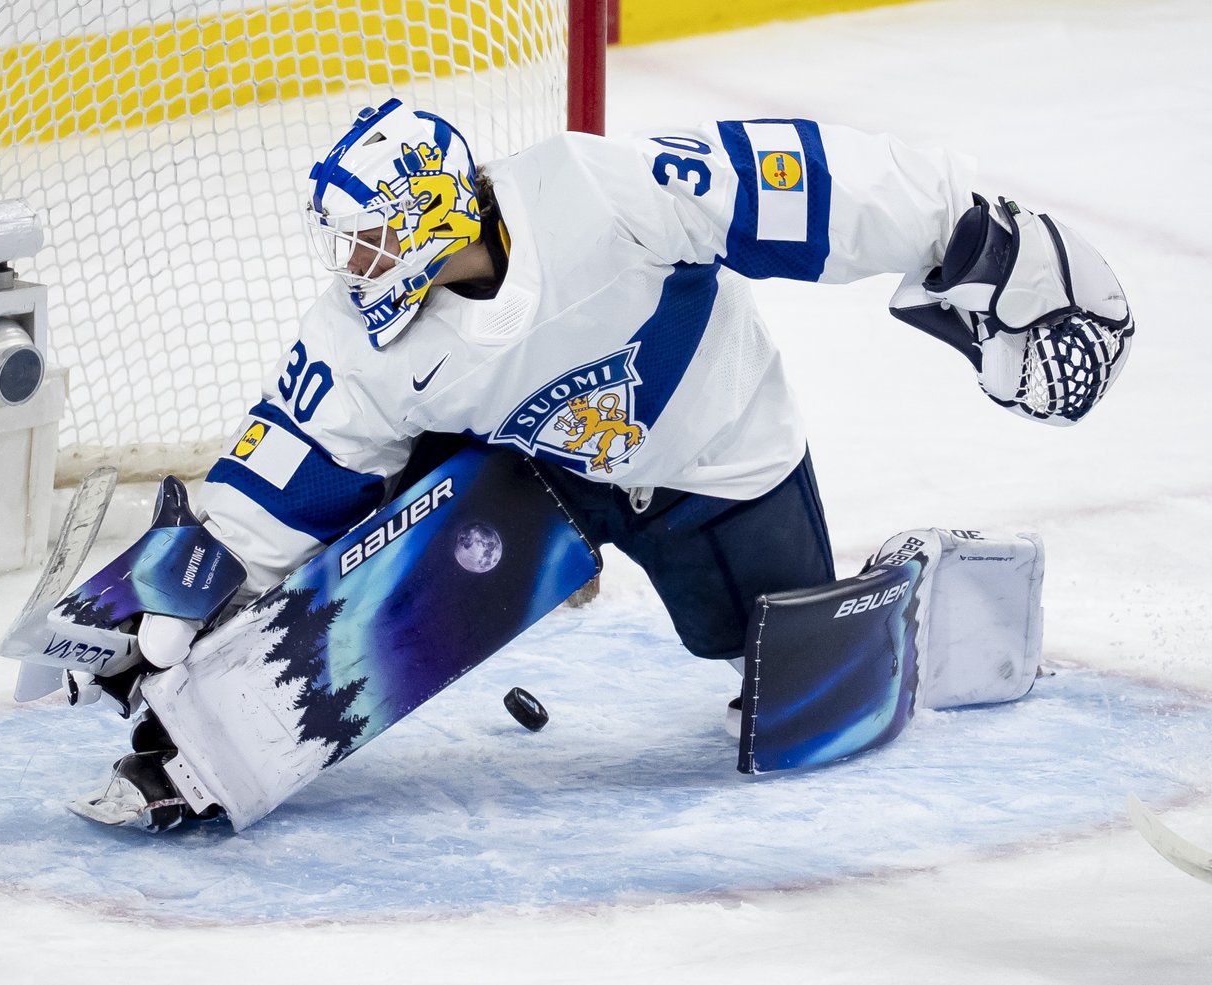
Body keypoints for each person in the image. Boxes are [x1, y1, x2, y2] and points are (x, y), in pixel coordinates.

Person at [73, 98, 1134, 829]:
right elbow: (299, 447)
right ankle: (218, 732)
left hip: (717, 455)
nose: (351, 269)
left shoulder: (597, 190)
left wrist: (967, 235)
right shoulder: (360, 338)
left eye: (365, 241)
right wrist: (195, 573)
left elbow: (800, 180)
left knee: (797, 701)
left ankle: (915, 594)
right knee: (394, 508)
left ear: (429, 218)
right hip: (536, 478)